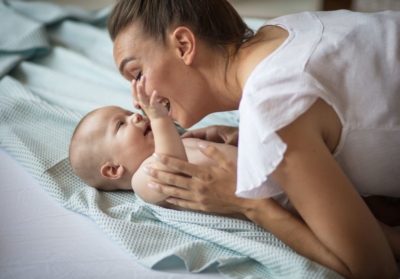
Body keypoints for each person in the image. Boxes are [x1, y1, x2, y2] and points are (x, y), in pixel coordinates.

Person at [107, 0, 400, 278]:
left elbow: (373, 270)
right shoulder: (280, 30)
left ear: (184, 45)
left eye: (137, 73)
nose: (137, 101)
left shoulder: (272, 110)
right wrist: (253, 136)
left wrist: (250, 205)